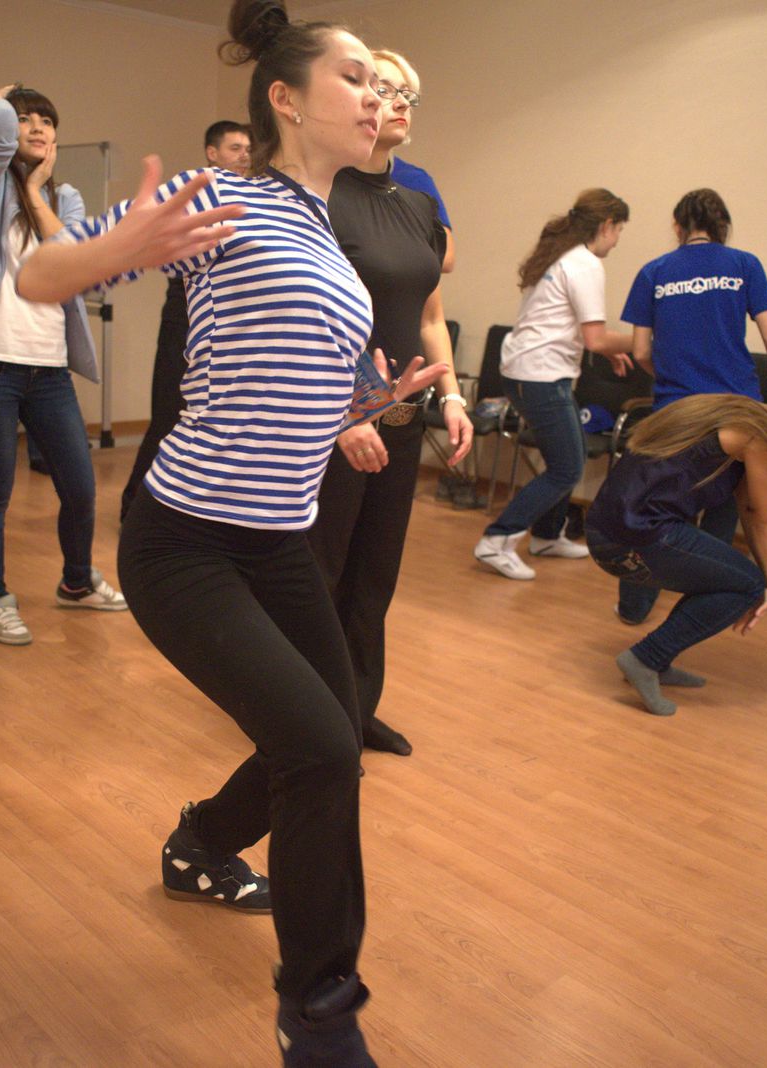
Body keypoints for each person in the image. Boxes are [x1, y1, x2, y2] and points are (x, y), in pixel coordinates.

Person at [17, 2, 451, 1060]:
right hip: (186, 540)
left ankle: (202, 843)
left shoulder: (323, 227)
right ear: (285, 99)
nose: (377, 96)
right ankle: (319, 1015)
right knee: (321, 751)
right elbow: (36, 279)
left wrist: (367, 405)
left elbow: (285, 375)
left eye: (383, 84)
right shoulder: (221, 194)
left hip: (275, 540)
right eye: (355, 77)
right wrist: (118, 244)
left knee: (333, 726)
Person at [307, 48, 471, 760]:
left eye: (409, 94)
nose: (398, 102)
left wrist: (453, 395)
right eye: (384, 88)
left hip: (404, 418)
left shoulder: (418, 205)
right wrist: (351, 409)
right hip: (336, 421)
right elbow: (308, 317)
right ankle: (309, 722)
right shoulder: (323, 197)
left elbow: (430, 314)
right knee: (322, 571)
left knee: (374, 576)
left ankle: (357, 709)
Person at [0, 84, 128, 648]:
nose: (38, 127)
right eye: (25, 119)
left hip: (49, 370)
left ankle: (76, 582)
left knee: (81, 489)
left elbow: (72, 261)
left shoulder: (65, 197)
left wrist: (39, 190)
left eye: (46, 120)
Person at [585, 394, 767, 717]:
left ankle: (657, 661)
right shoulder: (762, 439)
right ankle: (645, 659)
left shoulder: (739, 422)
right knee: (746, 586)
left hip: (611, 531)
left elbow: (748, 510)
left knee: (733, 579)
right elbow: (764, 518)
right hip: (631, 537)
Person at [614, 188, 767, 624]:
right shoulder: (745, 265)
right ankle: (701, 604)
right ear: (722, 226)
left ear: (678, 226)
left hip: (676, 413)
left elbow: (640, 351)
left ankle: (634, 608)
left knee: (656, 507)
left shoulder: (654, 271)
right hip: (735, 409)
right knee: (724, 505)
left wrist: (671, 377)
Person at [473, 189, 633, 580]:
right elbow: (595, 338)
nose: (618, 240)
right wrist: (645, 342)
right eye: (619, 230)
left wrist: (611, 350)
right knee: (567, 467)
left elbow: (568, 326)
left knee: (566, 457)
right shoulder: (585, 263)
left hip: (527, 371)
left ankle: (546, 536)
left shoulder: (561, 257)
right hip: (540, 375)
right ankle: (496, 540)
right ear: (606, 225)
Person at [119, 120, 252, 521]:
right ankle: (134, 509)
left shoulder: (252, 200)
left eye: (248, 148)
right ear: (212, 153)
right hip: (184, 318)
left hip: (225, 325)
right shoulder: (197, 195)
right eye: (235, 148)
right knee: (169, 415)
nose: (244, 155)